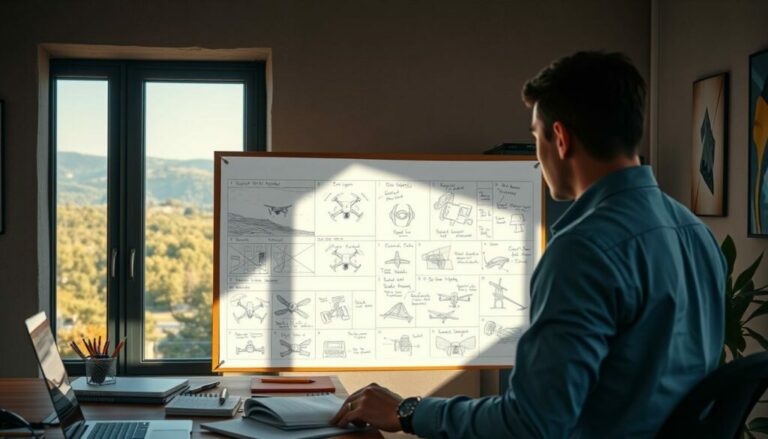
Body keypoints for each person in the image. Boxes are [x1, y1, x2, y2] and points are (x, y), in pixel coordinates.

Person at [330, 51, 726, 437]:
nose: (538, 157)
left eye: (536, 137)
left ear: (560, 138)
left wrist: (408, 412)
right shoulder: (697, 235)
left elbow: (532, 424)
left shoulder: (582, 251)